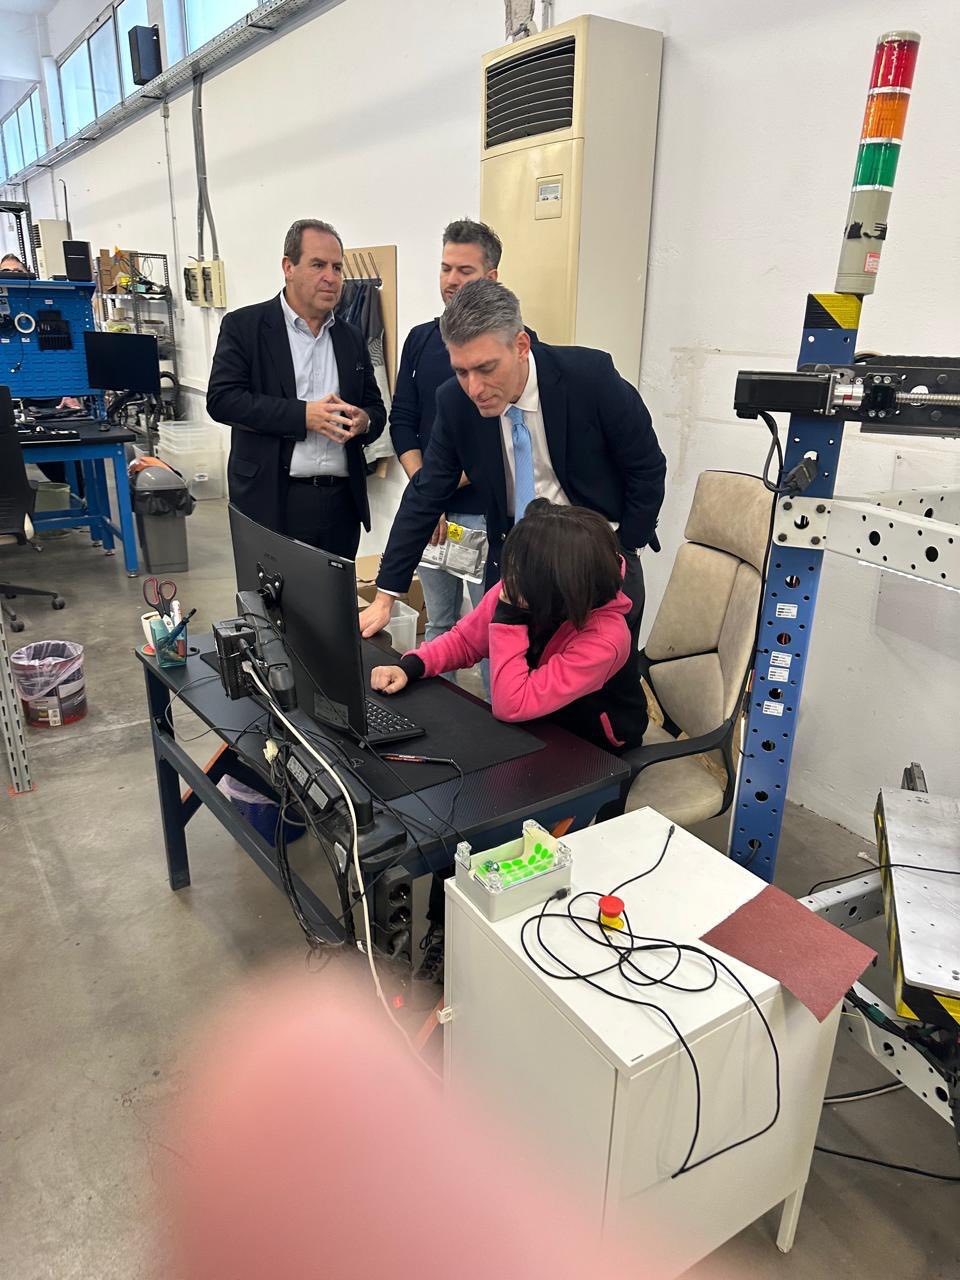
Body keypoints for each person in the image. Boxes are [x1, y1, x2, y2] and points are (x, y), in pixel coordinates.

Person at [371, 501, 649, 983]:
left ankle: (461, 934)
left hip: (589, 747)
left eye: (518, 576)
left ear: (559, 587)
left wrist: (509, 616)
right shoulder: (527, 588)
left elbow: (511, 702)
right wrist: (413, 664)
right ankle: (445, 926)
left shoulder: (606, 636)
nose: (507, 581)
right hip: (535, 726)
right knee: (459, 809)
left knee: (490, 826)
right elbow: (466, 640)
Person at [359, 278, 665, 645]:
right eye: (461, 371)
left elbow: (646, 466)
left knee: (606, 676)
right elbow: (425, 494)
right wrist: (385, 597)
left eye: (486, 368)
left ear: (520, 346)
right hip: (518, 570)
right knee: (512, 673)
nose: (474, 388)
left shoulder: (589, 377)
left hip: (599, 563)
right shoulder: (455, 402)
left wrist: (625, 547)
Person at [206, 219, 386, 558]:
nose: (331, 277)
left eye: (337, 267)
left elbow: (375, 409)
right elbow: (222, 400)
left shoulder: (349, 338)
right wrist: (303, 415)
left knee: (333, 594)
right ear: (288, 267)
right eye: (318, 265)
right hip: (271, 500)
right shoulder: (246, 327)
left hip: (340, 504)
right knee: (271, 592)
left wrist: (364, 421)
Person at [390, 219, 501, 647]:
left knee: (493, 632)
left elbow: (503, 438)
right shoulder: (420, 340)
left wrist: (435, 490)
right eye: (445, 268)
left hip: (484, 515)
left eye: (464, 270)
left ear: (490, 277)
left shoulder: (509, 345)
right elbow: (403, 420)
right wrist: (427, 493)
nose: (451, 280)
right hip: (430, 510)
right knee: (438, 625)